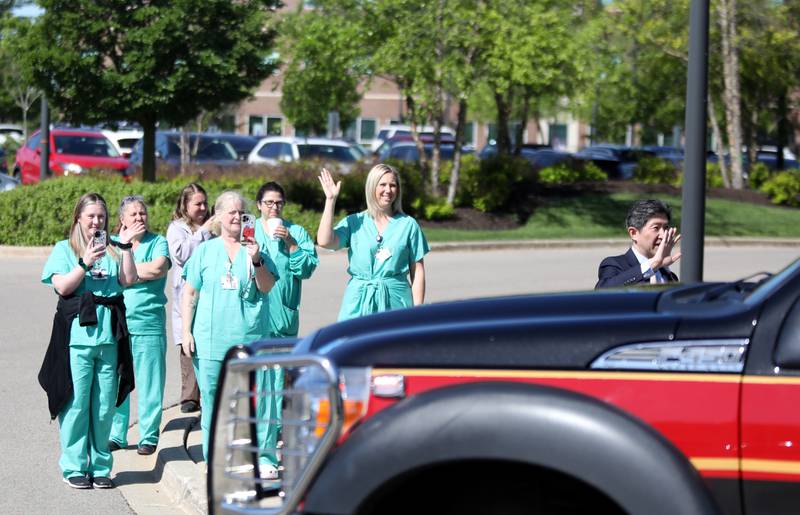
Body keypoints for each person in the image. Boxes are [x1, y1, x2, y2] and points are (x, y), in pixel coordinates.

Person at [39, 192, 140, 489]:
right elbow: (63, 286)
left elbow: (129, 280)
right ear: (79, 219)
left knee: (104, 405)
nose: (96, 222)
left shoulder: (112, 249)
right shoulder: (64, 249)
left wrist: (126, 248)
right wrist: (83, 263)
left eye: (101, 217)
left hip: (109, 336)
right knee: (77, 403)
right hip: (77, 338)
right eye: (91, 216)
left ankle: (100, 466)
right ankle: (73, 466)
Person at [181, 191, 276, 461]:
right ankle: (216, 458)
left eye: (241, 212)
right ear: (219, 216)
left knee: (257, 400)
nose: (236, 216)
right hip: (210, 341)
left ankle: (262, 458)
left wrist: (256, 258)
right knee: (212, 402)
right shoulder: (205, 251)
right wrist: (186, 331)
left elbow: (266, 287)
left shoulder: (257, 248)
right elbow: (189, 293)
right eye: (231, 212)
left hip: (250, 338)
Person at [253, 181, 319, 479]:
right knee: (259, 381)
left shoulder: (297, 232)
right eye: (268, 203)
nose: (274, 208)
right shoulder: (249, 230)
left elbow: (307, 268)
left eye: (278, 203)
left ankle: (272, 436)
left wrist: (291, 243)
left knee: (278, 380)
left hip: (284, 319)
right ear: (258, 205)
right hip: (253, 319)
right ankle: (260, 437)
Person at [317, 164, 429, 320]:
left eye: (393, 185)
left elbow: (417, 272)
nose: (388, 190)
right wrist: (330, 200)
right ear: (372, 187)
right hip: (359, 303)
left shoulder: (408, 225)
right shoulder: (355, 222)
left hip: (397, 303)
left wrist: (417, 313)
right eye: (382, 185)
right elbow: (324, 241)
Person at [108, 195, 171, 456]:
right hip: (116, 323)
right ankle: (116, 434)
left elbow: (158, 269)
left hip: (149, 322)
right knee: (116, 380)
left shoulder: (158, 242)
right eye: (133, 214)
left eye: (142, 213)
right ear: (122, 219)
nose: (139, 218)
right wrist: (126, 271)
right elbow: (108, 273)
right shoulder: (111, 245)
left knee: (149, 382)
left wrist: (126, 272)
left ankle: (148, 435)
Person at [166, 183, 214, 414]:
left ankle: (210, 392)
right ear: (185, 205)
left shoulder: (216, 225)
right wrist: (204, 231)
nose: (203, 208)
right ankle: (189, 397)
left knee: (210, 341)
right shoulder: (176, 228)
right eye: (197, 204)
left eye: (205, 203)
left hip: (213, 293)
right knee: (188, 342)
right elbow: (181, 254)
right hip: (187, 293)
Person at [595, 199, 681, 289]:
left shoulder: (669, 275)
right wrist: (653, 264)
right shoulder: (614, 265)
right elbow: (602, 291)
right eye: (656, 228)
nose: (663, 235)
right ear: (633, 233)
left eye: (666, 227)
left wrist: (663, 268)